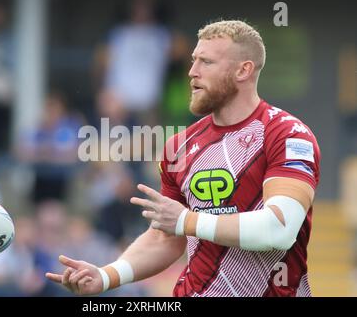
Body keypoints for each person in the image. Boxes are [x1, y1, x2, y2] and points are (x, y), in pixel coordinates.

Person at [45, 20, 321, 297]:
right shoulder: (179, 145)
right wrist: (106, 276)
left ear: (243, 70)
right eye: (193, 61)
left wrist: (188, 221)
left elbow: (279, 229)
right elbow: (166, 237)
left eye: (206, 62)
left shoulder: (287, 134)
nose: (192, 72)